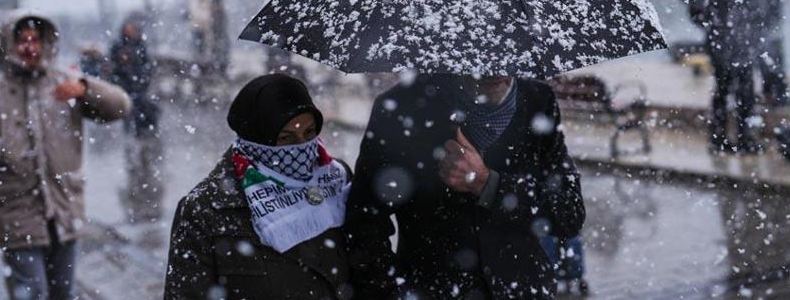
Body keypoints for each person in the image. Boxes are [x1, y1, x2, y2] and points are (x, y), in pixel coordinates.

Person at [345, 73, 585, 299]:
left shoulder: (538, 99)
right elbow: (365, 221)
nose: (496, 68)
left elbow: (569, 213)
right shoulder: (401, 106)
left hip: (523, 289)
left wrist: (488, 184)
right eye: (485, 53)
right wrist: (391, 292)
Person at [164, 74, 353, 299]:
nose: (302, 147)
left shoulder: (336, 181)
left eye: (309, 132)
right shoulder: (206, 210)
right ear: (256, 140)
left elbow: (364, 267)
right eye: (286, 138)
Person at [0, 13, 130, 300]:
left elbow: (121, 106)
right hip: (16, 214)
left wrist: (87, 90)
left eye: (35, 39)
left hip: (64, 212)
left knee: (63, 292)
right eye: (22, 40)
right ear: (9, 44)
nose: (30, 47)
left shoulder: (65, 82)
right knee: (32, 293)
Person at [684, 0, 765, 153]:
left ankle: (718, 139)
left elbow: (695, 13)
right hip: (742, 43)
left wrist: (711, 28)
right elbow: (759, 13)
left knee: (721, 90)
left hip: (718, 42)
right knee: (745, 92)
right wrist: (749, 32)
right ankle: (745, 138)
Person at [109, 13, 157, 135]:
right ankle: (130, 131)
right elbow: (112, 65)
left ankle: (143, 130)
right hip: (125, 83)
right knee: (128, 109)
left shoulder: (140, 45)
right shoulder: (118, 46)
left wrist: (144, 77)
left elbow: (147, 63)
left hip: (139, 83)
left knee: (142, 107)